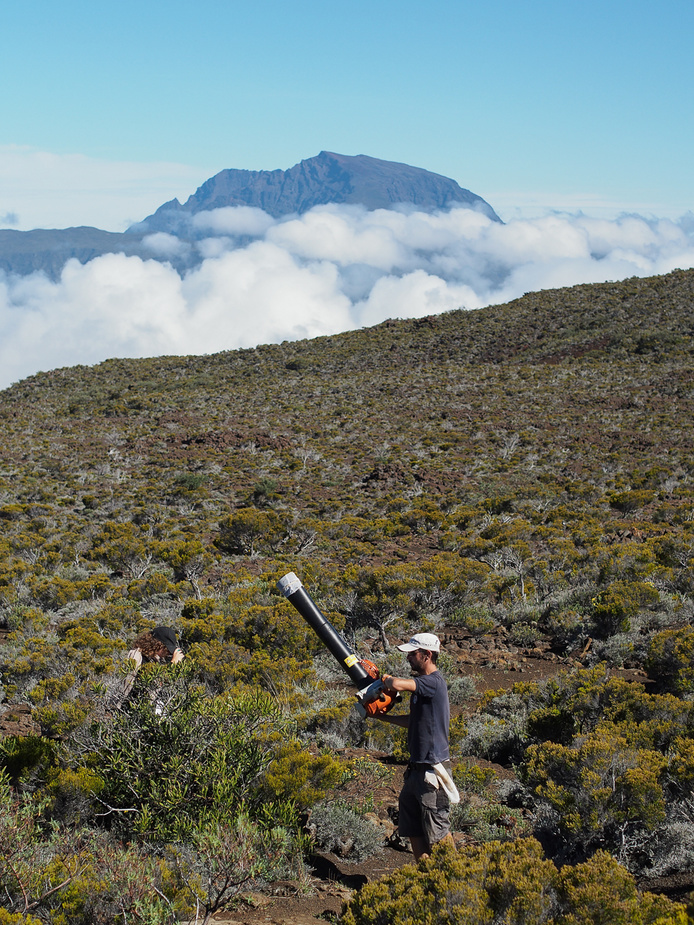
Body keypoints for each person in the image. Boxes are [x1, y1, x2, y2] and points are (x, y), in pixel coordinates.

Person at [372, 631, 457, 861]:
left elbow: (398, 683)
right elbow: (413, 720)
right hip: (416, 771)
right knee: (415, 830)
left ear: (427, 655)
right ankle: (426, 878)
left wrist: (384, 680)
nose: (408, 658)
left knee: (438, 832)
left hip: (432, 772)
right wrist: (380, 717)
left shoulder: (432, 682)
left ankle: (454, 879)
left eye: (413, 654)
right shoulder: (423, 687)